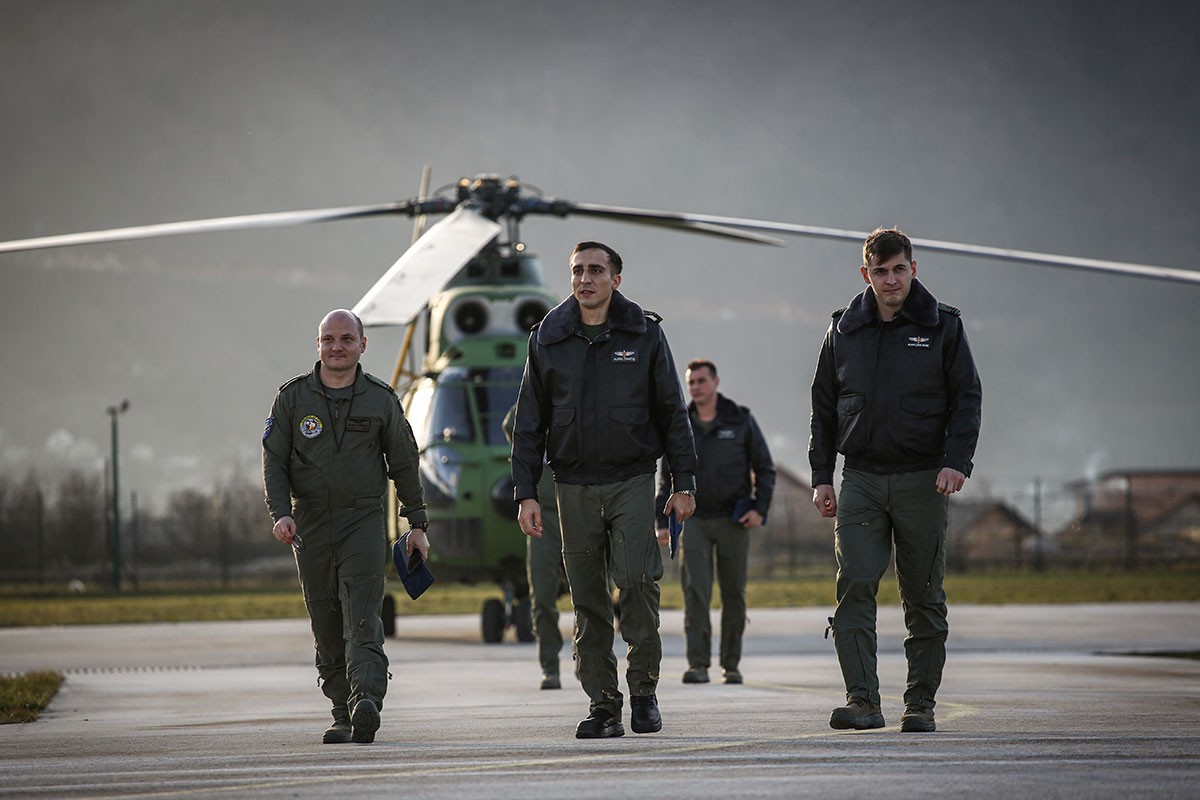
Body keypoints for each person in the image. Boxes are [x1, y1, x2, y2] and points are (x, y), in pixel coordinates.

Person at [510, 241, 697, 739]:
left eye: (596, 270)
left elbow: (672, 413)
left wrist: (683, 483)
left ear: (616, 279)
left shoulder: (644, 333)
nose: (585, 279)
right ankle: (603, 704)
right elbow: (528, 422)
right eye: (577, 271)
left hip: (631, 479)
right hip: (571, 484)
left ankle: (644, 690)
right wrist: (525, 492)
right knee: (588, 597)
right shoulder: (547, 338)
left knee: (636, 581)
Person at [808, 227, 982, 733]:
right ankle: (862, 700)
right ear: (865, 274)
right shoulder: (843, 329)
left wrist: (957, 461)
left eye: (899, 269)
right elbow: (823, 407)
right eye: (880, 271)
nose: (890, 280)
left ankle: (920, 704)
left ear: (913, 269)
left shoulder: (943, 326)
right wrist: (821, 476)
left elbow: (967, 398)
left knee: (923, 595)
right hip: (861, 478)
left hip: (924, 480)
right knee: (854, 587)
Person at [262, 308, 429, 745]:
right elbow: (274, 460)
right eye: (329, 339)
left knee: (362, 615)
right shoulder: (293, 399)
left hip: (362, 520)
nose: (337, 347)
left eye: (346, 339)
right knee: (325, 618)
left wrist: (417, 522)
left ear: (362, 345)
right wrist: (280, 512)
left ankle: (366, 699)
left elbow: (404, 462)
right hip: (310, 523)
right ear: (318, 344)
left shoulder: (380, 399)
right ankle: (341, 711)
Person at [655, 359, 775, 686]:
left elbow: (765, 468)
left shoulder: (740, 420)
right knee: (695, 592)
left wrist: (760, 509)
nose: (696, 387)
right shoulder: (679, 424)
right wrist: (662, 522)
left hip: (733, 520)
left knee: (734, 594)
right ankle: (698, 664)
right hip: (692, 520)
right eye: (691, 382)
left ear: (715, 382)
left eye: (701, 380)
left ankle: (730, 665)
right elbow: (666, 478)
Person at [503, 403, 570, 690]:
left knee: (593, 593)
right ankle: (550, 667)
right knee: (541, 594)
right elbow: (512, 424)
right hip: (545, 515)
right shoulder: (536, 402)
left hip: (580, 509)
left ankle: (590, 658)